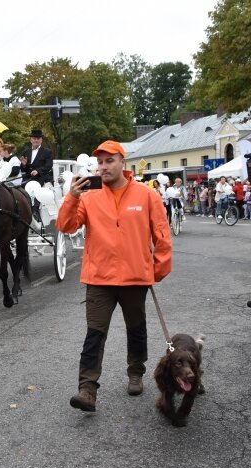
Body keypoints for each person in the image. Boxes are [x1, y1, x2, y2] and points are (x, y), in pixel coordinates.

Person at [56, 140, 172, 411]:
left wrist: (156, 269)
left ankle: (135, 371)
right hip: (99, 279)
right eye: (99, 162)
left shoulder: (146, 195)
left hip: (135, 279)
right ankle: (87, 389)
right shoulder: (88, 196)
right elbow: (65, 225)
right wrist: (72, 196)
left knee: (136, 329)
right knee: (94, 335)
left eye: (109, 161)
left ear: (123, 162)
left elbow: (162, 235)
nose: (103, 167)